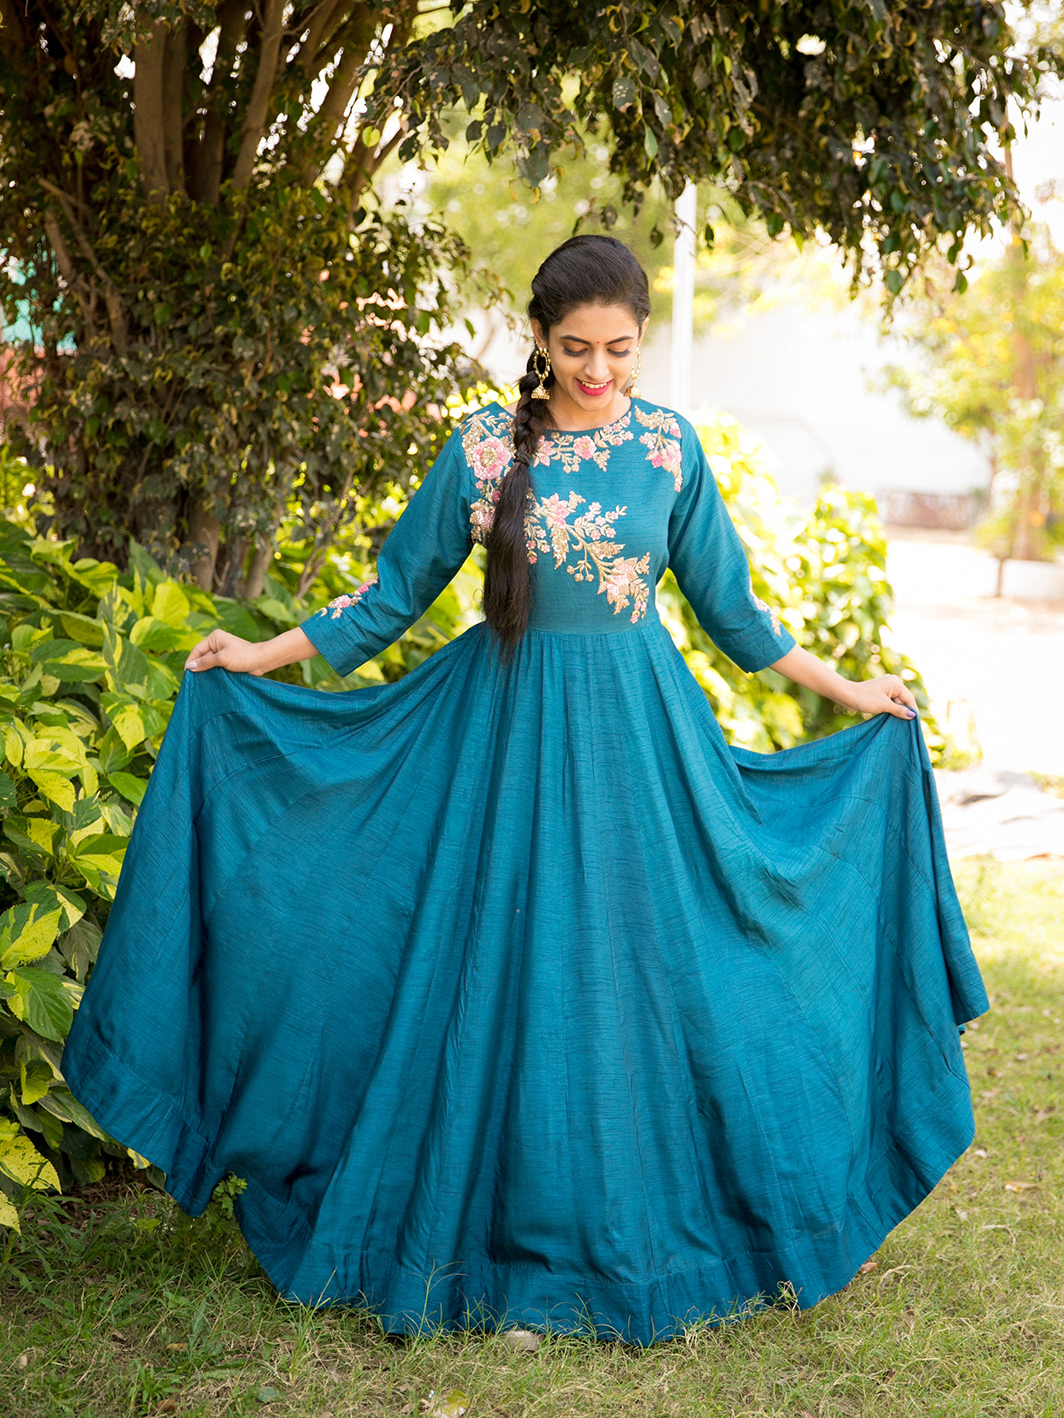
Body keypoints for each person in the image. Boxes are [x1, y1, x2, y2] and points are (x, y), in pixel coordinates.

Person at [62, 235, 988, 1346]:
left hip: (639, 746)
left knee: (650, 970)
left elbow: (735, 615)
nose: (598, 371)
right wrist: (258, 656)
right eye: (576, 348)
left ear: (640, 342)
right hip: (497, 745)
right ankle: (493, 1243)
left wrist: (850, 689)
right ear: (540, 338)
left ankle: (666, 1221)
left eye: (620, 350)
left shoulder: (667, 447)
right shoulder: (482, 447)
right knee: (494, 974)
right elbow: (390, 595)